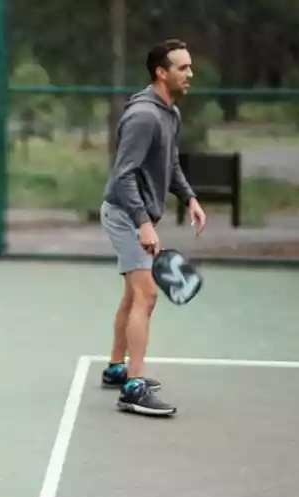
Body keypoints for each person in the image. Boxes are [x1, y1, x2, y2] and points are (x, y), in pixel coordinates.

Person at [99, 39, 207, 416]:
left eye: (190, 67)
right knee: (147, 295)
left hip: (137, 214)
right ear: (162, 72)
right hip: (124, 214)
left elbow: (170, 162)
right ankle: (134, 386)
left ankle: (117, 367)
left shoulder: (169, 113)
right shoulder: (144, 116)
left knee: (133, 295)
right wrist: (143, 224)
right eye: (183, 68)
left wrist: (189, 197)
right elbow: (124, 175)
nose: (190, 74)